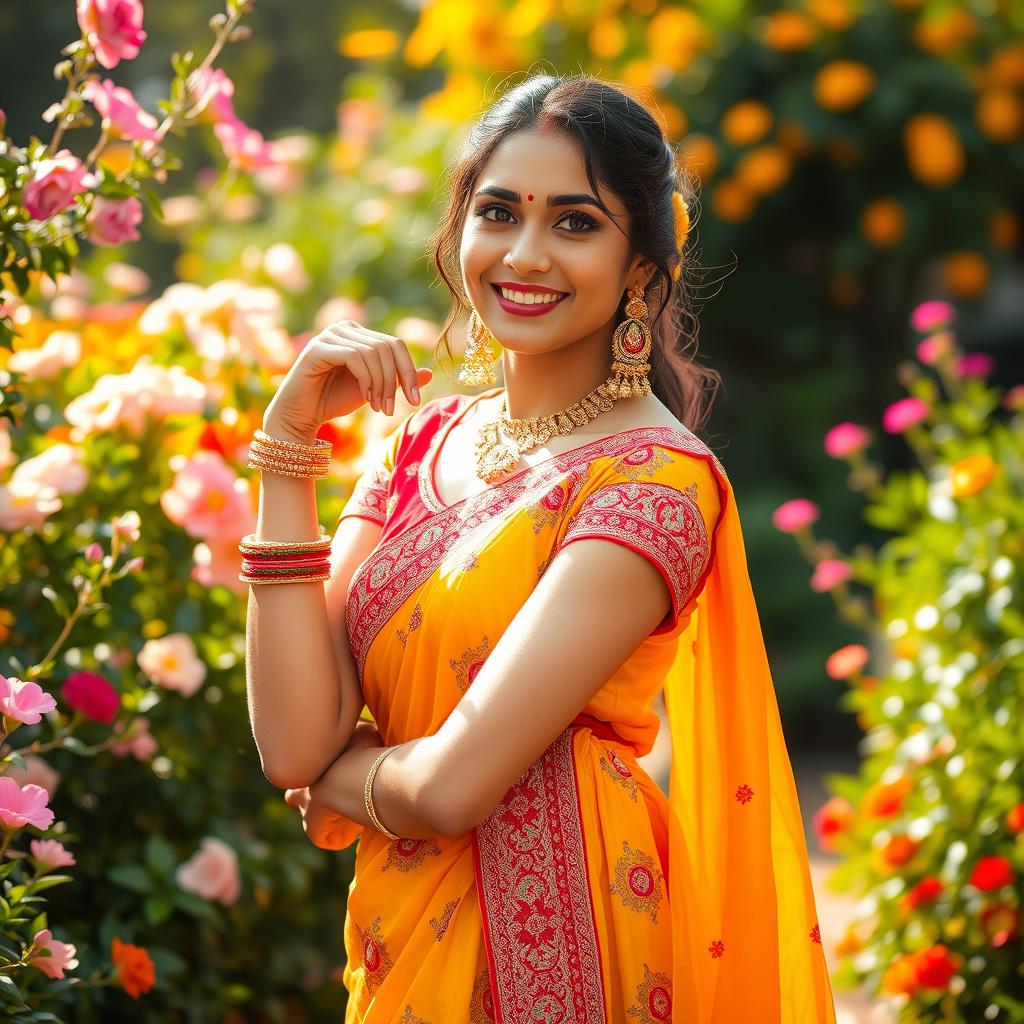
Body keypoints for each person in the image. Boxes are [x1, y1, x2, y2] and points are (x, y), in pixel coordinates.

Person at [243, 73, 837, 1023]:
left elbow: (447, 790)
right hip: (402, 932)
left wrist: (339, 782)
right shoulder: (420, 445)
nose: (525, 253)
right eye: (499, 211)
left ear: (642, 265)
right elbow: (291, 740)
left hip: (562, 944)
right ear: (461, 231)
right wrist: (286, 455)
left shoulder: (650, 484)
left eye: (575, 222)